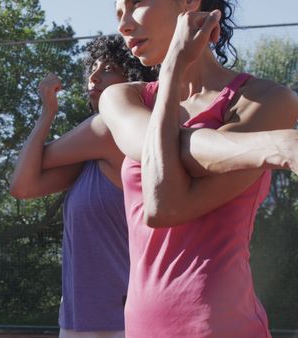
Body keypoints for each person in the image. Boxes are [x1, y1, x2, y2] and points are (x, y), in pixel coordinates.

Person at [100, 0, 298, 336]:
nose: (124, 25)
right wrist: (274, 145)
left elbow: (166, 203)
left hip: (223, 326)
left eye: (137, 4)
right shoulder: (120, 98)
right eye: (119, 14)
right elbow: (156, 167)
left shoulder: (266, 99)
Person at [10, 35, 156, 338]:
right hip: (80, 318)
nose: (93, 77)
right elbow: (22, 186)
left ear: (133, 78)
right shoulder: (89, 154)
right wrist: (47, 114)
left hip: (121, 321)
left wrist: (47, 112)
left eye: (108, 70)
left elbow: (28, 167)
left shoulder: (105, 130)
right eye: (93, 68)